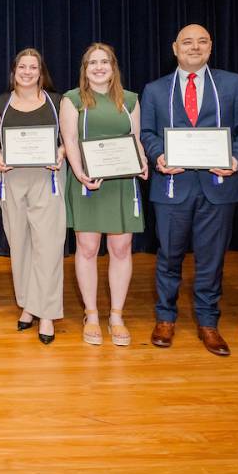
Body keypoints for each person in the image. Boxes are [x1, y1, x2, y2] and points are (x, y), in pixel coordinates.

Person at [140, 24, 238, 356]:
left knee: (211, 260)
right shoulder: (155, 89)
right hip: (172, 186)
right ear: (175, 48)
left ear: (211, 47)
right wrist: (158, 155)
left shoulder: (233, 84)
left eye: (202, 41)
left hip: (218, 185)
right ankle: (165, 318)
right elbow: (147, 132)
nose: (195, 47)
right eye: (188, 42)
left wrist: (236, 159)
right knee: (168, 257)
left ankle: (208, 322)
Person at [60, 43, 148, 347]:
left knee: (122, 248)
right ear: (84, 69)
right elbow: (70, 140)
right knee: (87, 248)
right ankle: (92, 314)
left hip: (122, 182)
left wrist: (143, 163)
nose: (98, 67)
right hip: (88, 180)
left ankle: (117, 315)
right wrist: (81, 171)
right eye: (92, 63)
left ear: (114, 67)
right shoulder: (73, 100)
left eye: (104, 62)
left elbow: (135, 139)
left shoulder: (130, 100)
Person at [0, 48, 65, 345]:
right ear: (14, 70)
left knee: (48, 245)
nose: (28, 72)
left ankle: (47, 312)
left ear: (41, 71)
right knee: (20, 245)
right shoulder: (0, 103)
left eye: (33, 67)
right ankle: (29, 306)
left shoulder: (58, 102)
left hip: (48, 178)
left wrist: (60, 154)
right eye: (23, 66)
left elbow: (67, 141)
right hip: (12, 179)